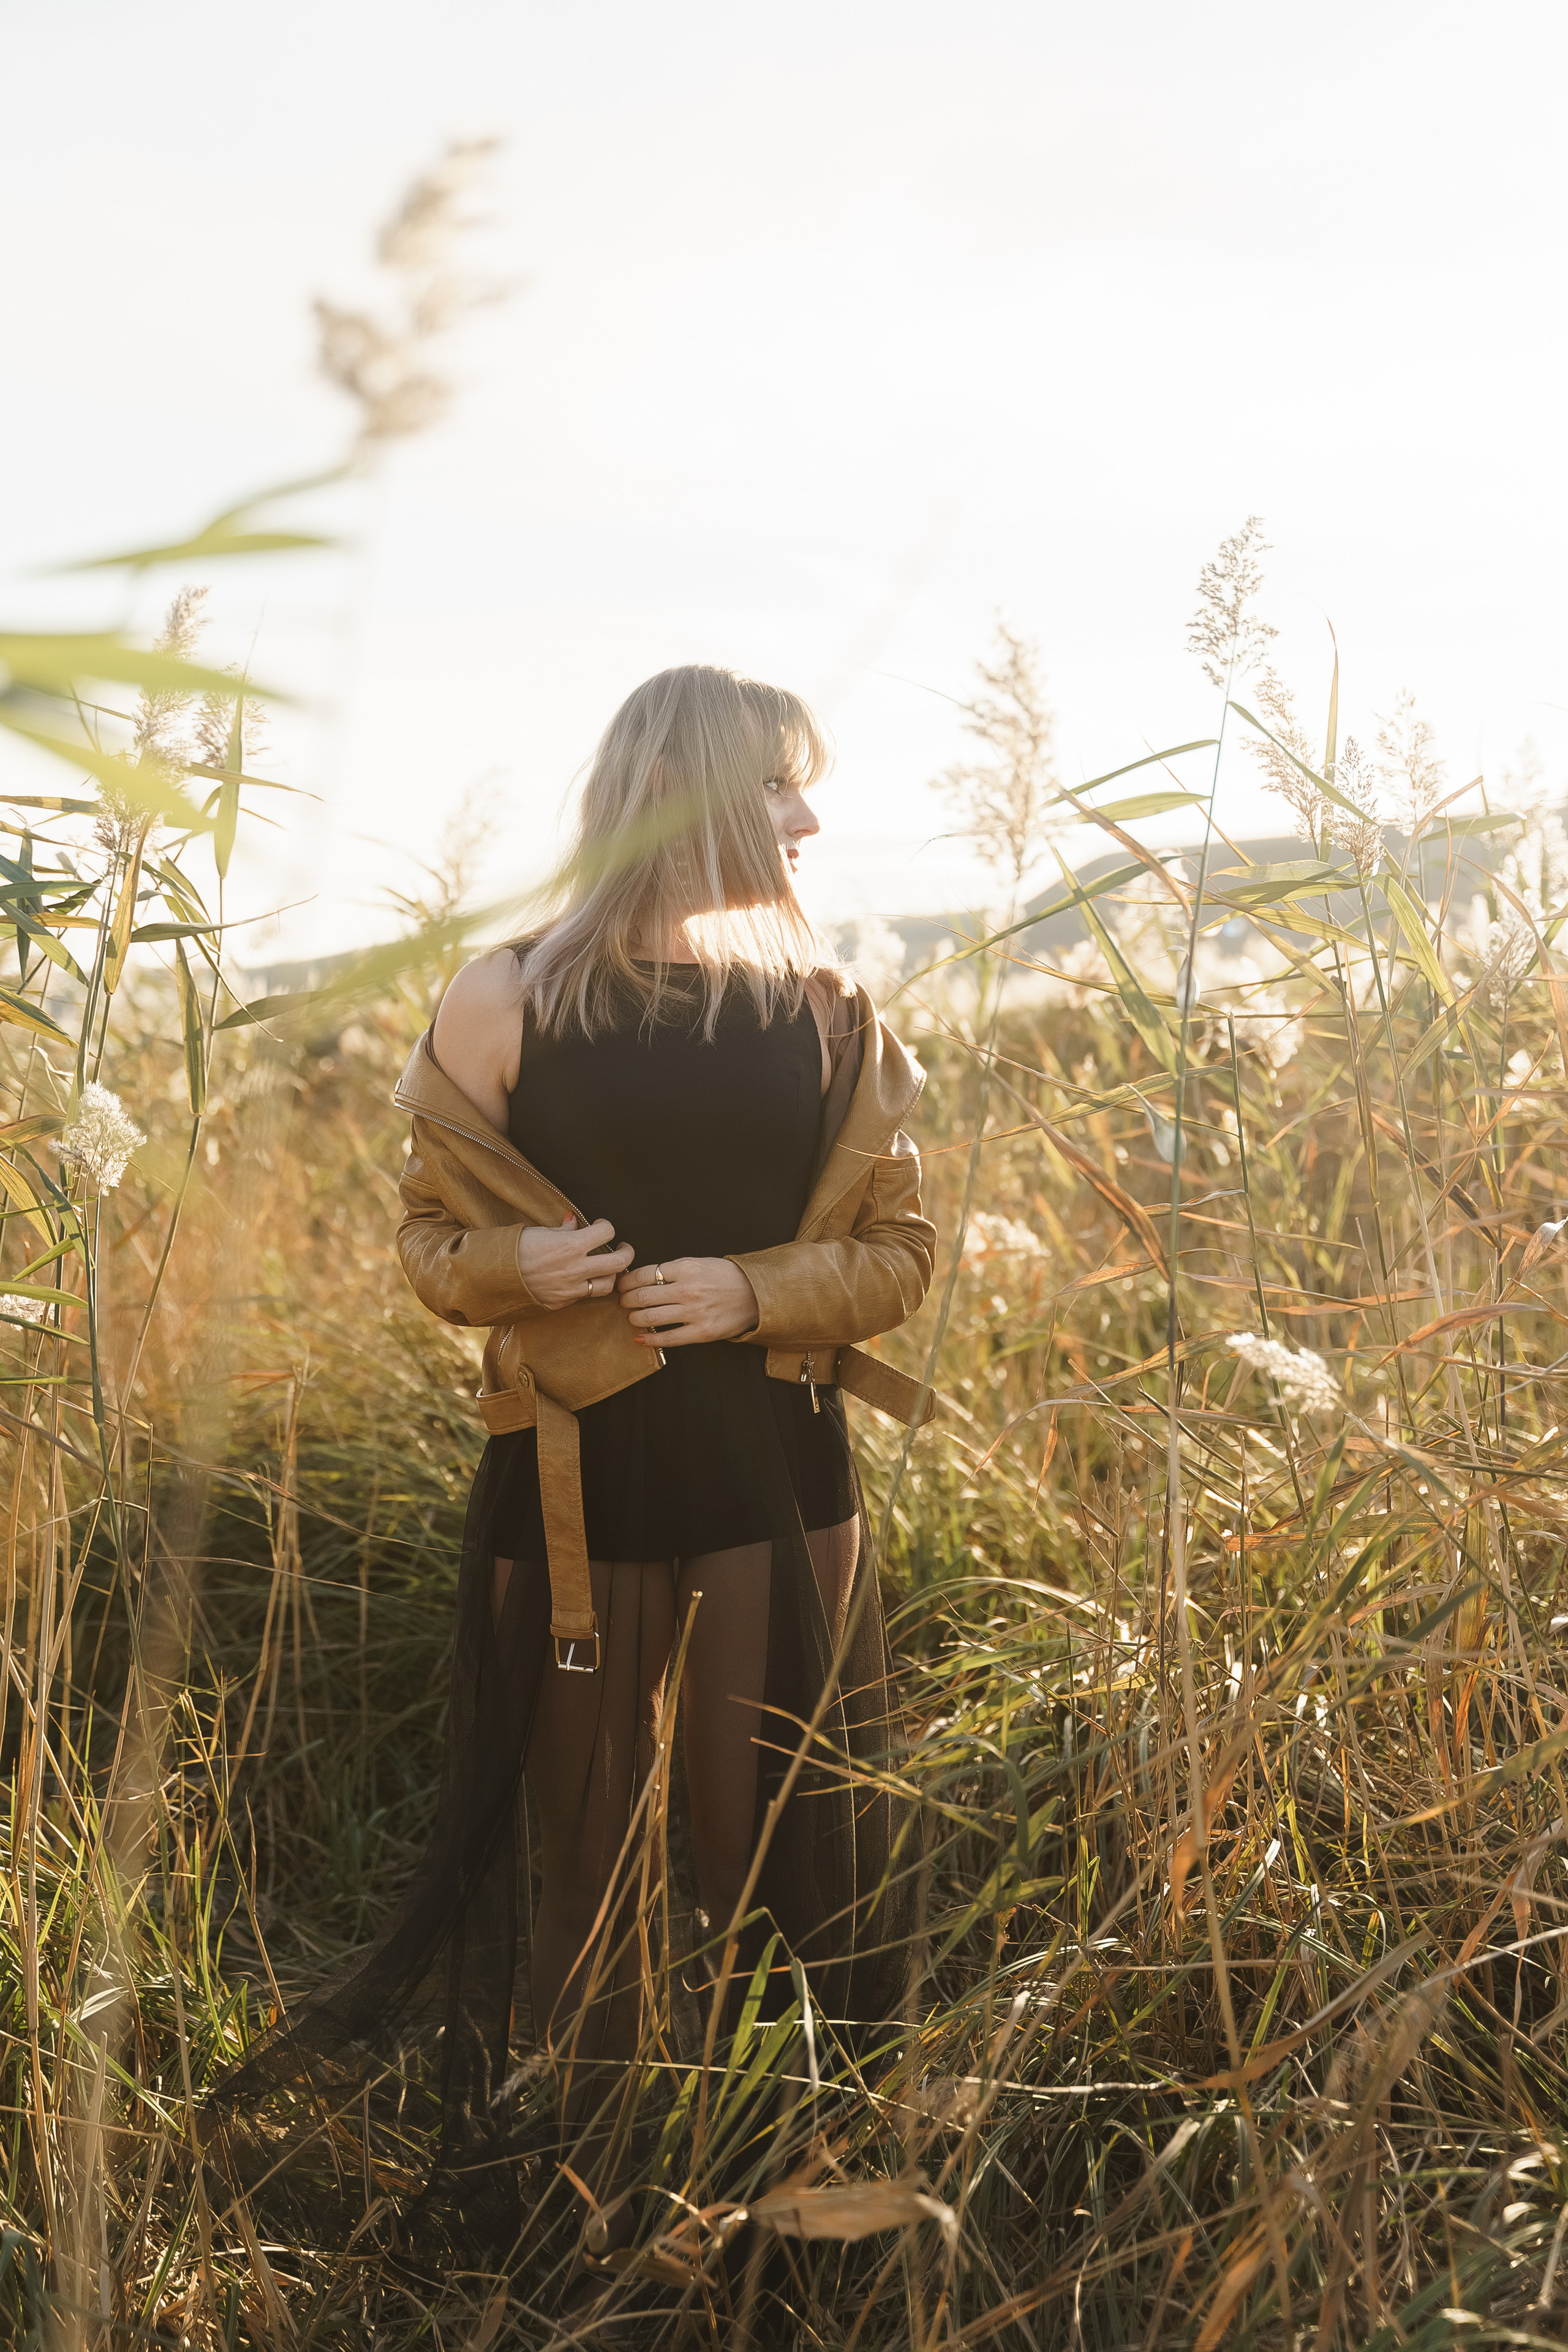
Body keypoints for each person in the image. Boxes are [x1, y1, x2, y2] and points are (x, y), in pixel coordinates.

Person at [210, 664, 937, 2279]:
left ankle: (784, 2213)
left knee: (765, 1856)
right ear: (689, 797)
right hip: (573, 1482)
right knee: (582, 1851)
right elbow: (429, 1244)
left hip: (778, 1479)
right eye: (783, 787)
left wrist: (756, 1292)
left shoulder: (826, 1011)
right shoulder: (504, 997)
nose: (813, 819)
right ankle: (576, 2212)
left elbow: (899, 1252)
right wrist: (521, 1263)